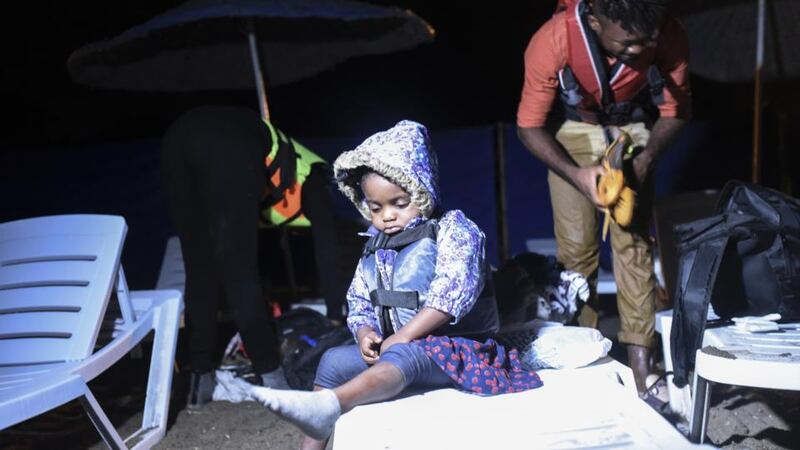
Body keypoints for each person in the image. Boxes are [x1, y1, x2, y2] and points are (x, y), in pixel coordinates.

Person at [219, 120, 543, 449]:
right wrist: (365, 333)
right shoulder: (375, 246)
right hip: (397, 348)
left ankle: (333, 404)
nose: (387, 215)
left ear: (423, 191)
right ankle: (313, 434)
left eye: (399, 203)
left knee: (405, 354)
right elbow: (359, 300)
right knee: (332, 360)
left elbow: (452, 294)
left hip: (461, 349)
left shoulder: (454, 229)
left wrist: (403, 336)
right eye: (376, 208)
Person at [516, 0, 691, 401]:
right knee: (576, 253)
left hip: (633, 131)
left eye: (646, 40)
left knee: (634, 248)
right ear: (595, 22)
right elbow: (528, 127)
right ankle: (581, 356)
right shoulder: (553, 40)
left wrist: (645, 161)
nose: (638, 50)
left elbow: (677, 111)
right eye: (627, 43)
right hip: (572, 134)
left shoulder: (667, 34)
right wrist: (576, 175)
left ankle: (643, 364)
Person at [160, 105, 353, 408]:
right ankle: (272, 377)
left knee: (200, 269)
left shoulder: (275, 179)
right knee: (239, 272)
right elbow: (327, 249)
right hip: (230, 138)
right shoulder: (313, 177)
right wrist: (334, 314)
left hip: (176, 137)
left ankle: (199, 380)